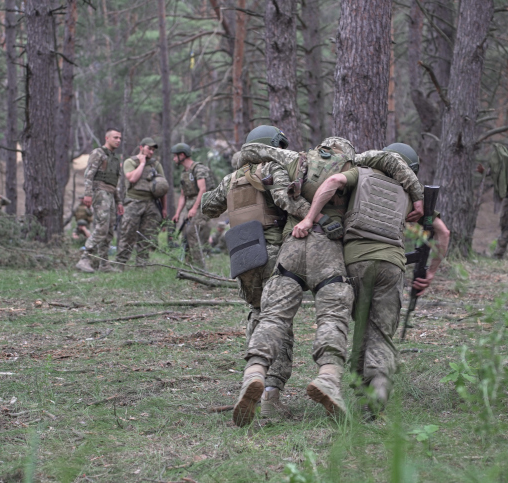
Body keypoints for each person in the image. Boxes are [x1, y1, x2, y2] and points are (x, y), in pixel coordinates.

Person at [231, 136, 424, 427]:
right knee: (333, 316)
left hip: (291, 246)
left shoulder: (295, 160)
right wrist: (417, 194)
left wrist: (304, 214)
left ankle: (255, 373)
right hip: (329, 250)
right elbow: (390, 161)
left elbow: (248, 152)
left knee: (273, 317)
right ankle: (329, 377)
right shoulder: (356, 166)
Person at [292, 142, 449, 418]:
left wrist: (309, 218)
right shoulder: (413, 195)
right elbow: (443, 233)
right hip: (391, 265)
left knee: (362, 325)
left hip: (355, 262)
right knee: (381, 331)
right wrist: (432, 272)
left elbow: (333, 181)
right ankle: (376, 389)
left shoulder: (360, 174)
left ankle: (358, 387)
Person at [201, 125, 295, 419]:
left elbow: (207, 207)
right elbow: (290, 201)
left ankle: (251, 378)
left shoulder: (232, 178)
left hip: (242, 254)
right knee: (277, 319)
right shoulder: (273, 172)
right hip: (272, 251)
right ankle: (270, 394)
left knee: (256, 312)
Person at [76, 128, 125, 273]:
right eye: (115, 137)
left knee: (109, 230)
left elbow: (113, 183)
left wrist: (119, 201)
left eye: (120, 138)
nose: (118, 140)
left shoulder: (115, 159)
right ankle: (84, 258)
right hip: (99, 192)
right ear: (107, 138)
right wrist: (88, 194)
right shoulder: (98, 153)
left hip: (110, 194)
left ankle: (104, 264)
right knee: (102, 227)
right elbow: (89, 175)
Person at [114, 137, 167, 269]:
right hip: (133, 202)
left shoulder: (156, 165)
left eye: (153, 149)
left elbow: (163, 187)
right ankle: (120, 264)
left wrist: (164, 208)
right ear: (141, 147)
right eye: (149, 148)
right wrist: (142, 163)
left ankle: (142, 264)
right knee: (128, 234)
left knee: (147, 235)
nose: (151, 152)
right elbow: (132, 178)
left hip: (151, 203)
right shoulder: (130, 162)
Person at [171, 143, 213, 266]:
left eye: (175, 156)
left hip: (202, 207)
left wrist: (194, 209)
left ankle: (200, 268)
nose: (174, 159)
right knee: (186, 236)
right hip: (191, 208)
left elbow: (203, 189)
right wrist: (178, 213)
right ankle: (188, 266)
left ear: (182, 155)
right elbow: (183, 195)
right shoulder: (184, 173)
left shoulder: (198, 169)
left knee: (192, 234)